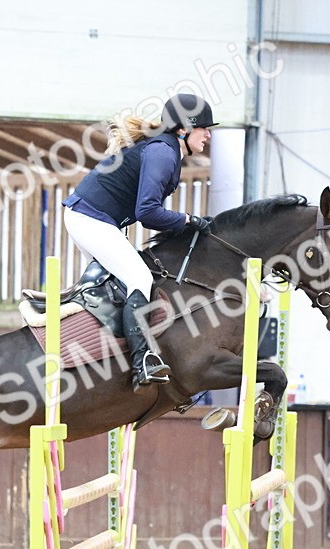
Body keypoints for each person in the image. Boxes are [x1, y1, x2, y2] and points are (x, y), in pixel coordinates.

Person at [61, 93, 217, 392]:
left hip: (91, 218)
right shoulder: (163, 152)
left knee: (118, 284)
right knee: (139, 277)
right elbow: (147, 213)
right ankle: (141, 361)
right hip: (91, 219)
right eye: (204, 127)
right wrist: (186, 220)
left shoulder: (166, 150)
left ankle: (101, 353)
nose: (208, 134)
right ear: (184, 129)